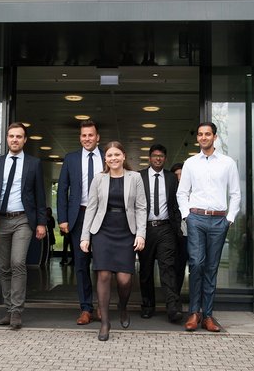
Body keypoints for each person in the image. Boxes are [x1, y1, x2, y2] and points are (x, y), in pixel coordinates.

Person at [176, 122, 241, 332]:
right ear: (197, 138)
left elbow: (235, 194)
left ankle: (208, 315)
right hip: (196, 218)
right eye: (200, 134)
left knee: (211, 268)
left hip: (219, 221)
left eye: (208, 134)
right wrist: (187, 216)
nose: (204, 137)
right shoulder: (190, 163)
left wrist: (229, 218)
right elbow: (181, 193)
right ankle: (194, 313)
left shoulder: (228, 163)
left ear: (215, 137)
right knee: (196, 264)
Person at [80, 141, 146, 341]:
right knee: (104, 275)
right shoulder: (99, 179)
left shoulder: (135, 178)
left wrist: (141, 234)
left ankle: (123, 307)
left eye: (117, 154)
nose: (113, 158)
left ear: (124, 156)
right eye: (109, 155)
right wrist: (85, 236)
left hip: (127, 231)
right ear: (105, 159)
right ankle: (105, 322)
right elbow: (91, 207)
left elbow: (141, 207)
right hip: (103, 231)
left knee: (125, 279)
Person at [0, 122, 47, 329]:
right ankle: (9, 308)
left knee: (18, 262)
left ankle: (17, 312)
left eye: (19, 137)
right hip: (0, 220)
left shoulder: (34, 163)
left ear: (25, 140)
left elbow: (40, 194)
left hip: (23, 219)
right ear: (7, 138)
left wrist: (41, 223)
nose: (15, 139)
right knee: (4, 267)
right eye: (11, 136)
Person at [57, 120, 103, 325]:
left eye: (90, 135)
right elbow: (62, 190)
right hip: (79, 216)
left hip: (104, 217)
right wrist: (63, 218)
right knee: (81, 265)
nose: (87, 139)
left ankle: (102, 307)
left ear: (97, 137)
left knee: (103, 265)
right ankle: (86, 308)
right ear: (80, 138)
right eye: (84, 135)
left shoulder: (108, 156)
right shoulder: (71, 159)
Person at [138, 144, 183, 322]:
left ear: (165, 159)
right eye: (155, 156)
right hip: (145, 228)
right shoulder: (139, 177)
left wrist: (178, 226)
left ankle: (173, 308)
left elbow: (176, 204)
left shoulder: (172, 178)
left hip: (166, 228)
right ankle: (148, 305)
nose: (158, 159)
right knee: (146, 270)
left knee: (168, 268)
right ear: (149, 158)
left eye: (161, 156)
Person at [170, 162, 188, 295]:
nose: (179, 177)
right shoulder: (170, 192)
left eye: (182, 174)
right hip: (174, 234)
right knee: (176, 267)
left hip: (190, 234)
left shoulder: (193, 191)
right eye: (176, 175)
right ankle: (174, 296)